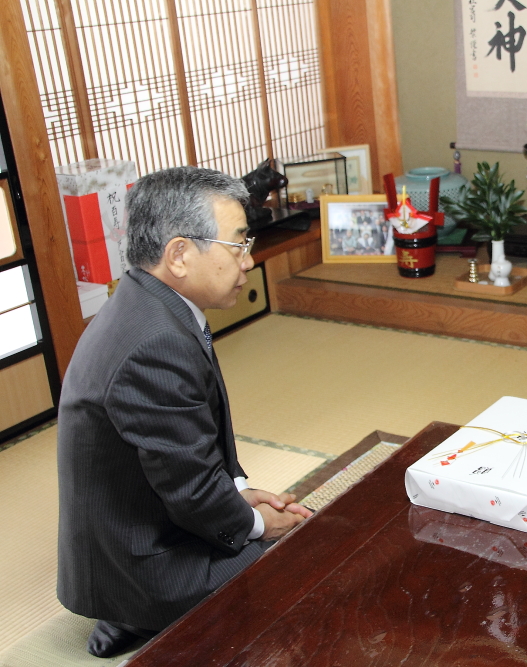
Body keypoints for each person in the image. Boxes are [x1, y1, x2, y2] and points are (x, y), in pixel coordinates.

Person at [56, 167, 313, 658]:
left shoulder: (147, 302)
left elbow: (185, 451)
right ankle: (138, 612)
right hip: (145, 562)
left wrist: (238, 491)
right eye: (237, 245)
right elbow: (191, 488)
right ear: (179, 254)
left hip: (139, 528)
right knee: (304, 564)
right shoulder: (154, 342)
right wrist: (255, 525)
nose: (248, 260)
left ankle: (135, 616)